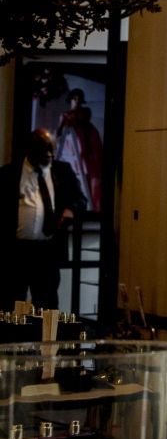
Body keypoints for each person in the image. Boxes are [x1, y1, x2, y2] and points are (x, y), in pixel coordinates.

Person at [3, 129, 87, 310]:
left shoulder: (63, 171)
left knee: (46, 304)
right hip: (16, 251)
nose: (49, 156)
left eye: (52, 151)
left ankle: (45, 338)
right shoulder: (9, 174)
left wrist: (71, 210)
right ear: (30, 151)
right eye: (44, 152)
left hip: (47, 251)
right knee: (12, 304)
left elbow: (81, 200)